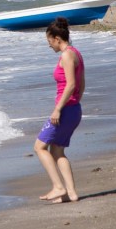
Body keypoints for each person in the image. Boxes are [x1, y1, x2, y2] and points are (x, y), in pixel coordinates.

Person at [34, 17, 84, 203]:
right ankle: (70, 193)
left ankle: (58, 186)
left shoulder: (67, 55)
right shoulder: (76, 53)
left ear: (56, 38)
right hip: (73, 108)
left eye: (49, 41)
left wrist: (58, 109)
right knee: (57, 151)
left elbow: (71, 84)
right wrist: (74, 103)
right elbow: (82, 84)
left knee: (39, 147)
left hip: (65, 110)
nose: (49, 46)